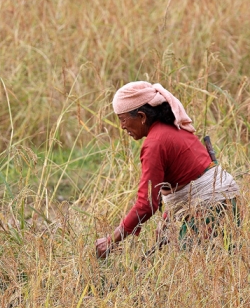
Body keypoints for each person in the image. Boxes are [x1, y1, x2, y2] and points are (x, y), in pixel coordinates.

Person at [95, 81, 241, 259]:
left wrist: (112, 240)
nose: (122, 126)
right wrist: (168, 219)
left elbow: (146, 204)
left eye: (123, 119)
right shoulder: (174, 128)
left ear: (141, 116)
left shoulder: (154, 144)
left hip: (208, 208)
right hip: (226, 202)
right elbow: (185, 178)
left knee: (191, 271)